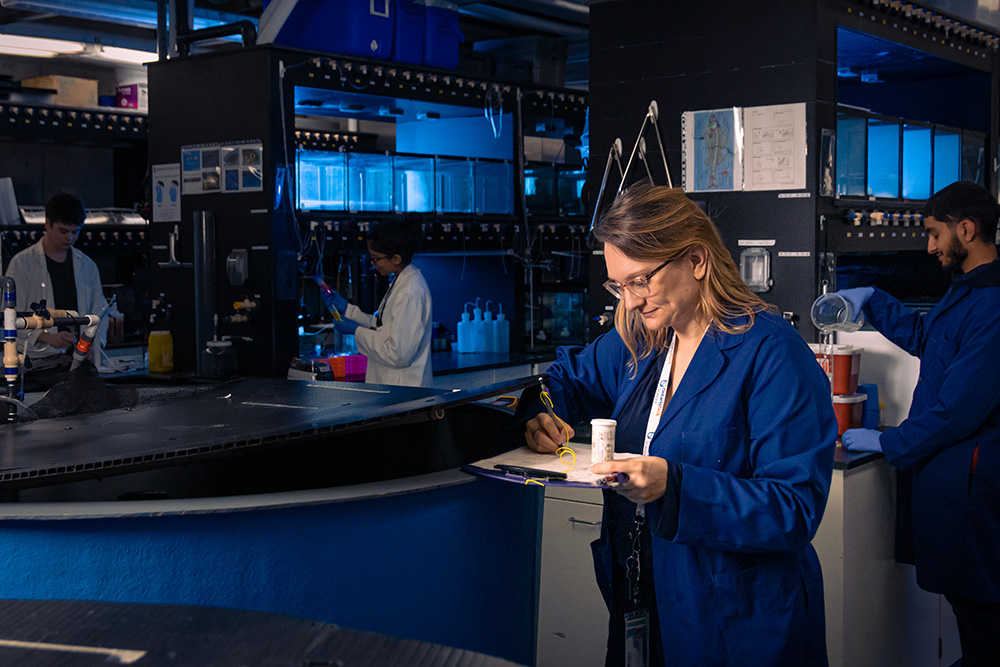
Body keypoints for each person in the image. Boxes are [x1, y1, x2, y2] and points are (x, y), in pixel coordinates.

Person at [521, 183, 837, 665]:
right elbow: (564, 380)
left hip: (737, 617)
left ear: (696, 260)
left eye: (640, 280)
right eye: (618, 285)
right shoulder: (640, 343)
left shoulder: (771, 354)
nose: (629, 302)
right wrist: (539, 413)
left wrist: (676, 487)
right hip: (643, 596)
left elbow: (795, 508)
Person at [839, 181, 1000, 667]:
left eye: (934, 235)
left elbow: (957, 410)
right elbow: (926, 336)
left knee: (983, 615)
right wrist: (872, 298)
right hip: (953, 482)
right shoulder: (967, 292)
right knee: (970, 611)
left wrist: (889, 443)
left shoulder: (992, 306)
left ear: (966, 230)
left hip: (973, 486)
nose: (928, 248)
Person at [4, 192, 107, 389]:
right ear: (47, 223)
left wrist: (92, 344)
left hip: (78, 365)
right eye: (63, 231)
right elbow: (10, 319)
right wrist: (48, 338)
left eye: (75, 232)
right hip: (37, 368)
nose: (70, 238)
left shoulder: (87, 266)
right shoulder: (23, 264)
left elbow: (100, 311)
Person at [326, 216, 433, 387]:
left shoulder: (410, 292)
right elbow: (383, 326)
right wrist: (348, 310)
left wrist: (356, 331)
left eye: (376, 259)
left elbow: (398, 354)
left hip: (403, 391)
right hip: (392, 388)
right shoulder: (400, 281)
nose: (373, 264)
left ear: (396, 259)